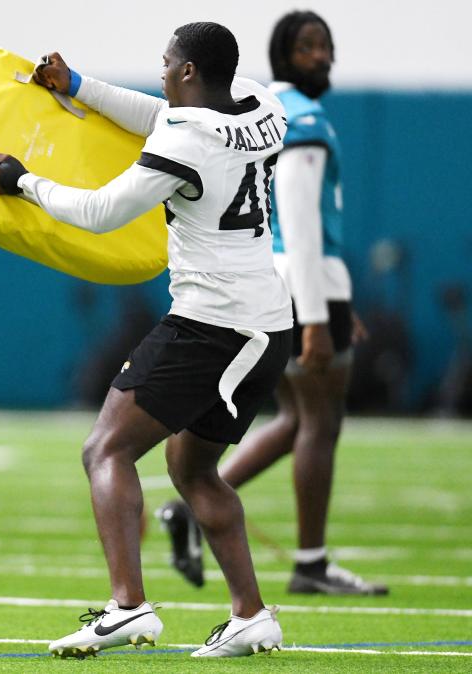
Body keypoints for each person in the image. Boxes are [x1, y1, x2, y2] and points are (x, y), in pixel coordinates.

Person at [0, 22, 291, 658]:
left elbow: (102, 213)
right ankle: (251, 615)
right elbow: (162, 115)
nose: (159, 73)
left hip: (213, 324)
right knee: (191, 468)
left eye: (165, 63)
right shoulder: (264, 104)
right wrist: (77, 87)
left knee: (105, 449)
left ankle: (128, 608)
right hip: (266, 320)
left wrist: (24, 182)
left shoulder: (188, 139)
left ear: (186, 71)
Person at [158, 11, 388, 597]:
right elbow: (302, 226)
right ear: (284, 54)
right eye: (311, 47)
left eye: (328, 46)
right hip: (297, 287)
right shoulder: (301, 119)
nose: (324, 57)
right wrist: (317, 314)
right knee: (320, 423)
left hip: (277, 282)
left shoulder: (257, 112)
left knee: (293, 423)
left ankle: (190, 507)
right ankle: (310, 562)